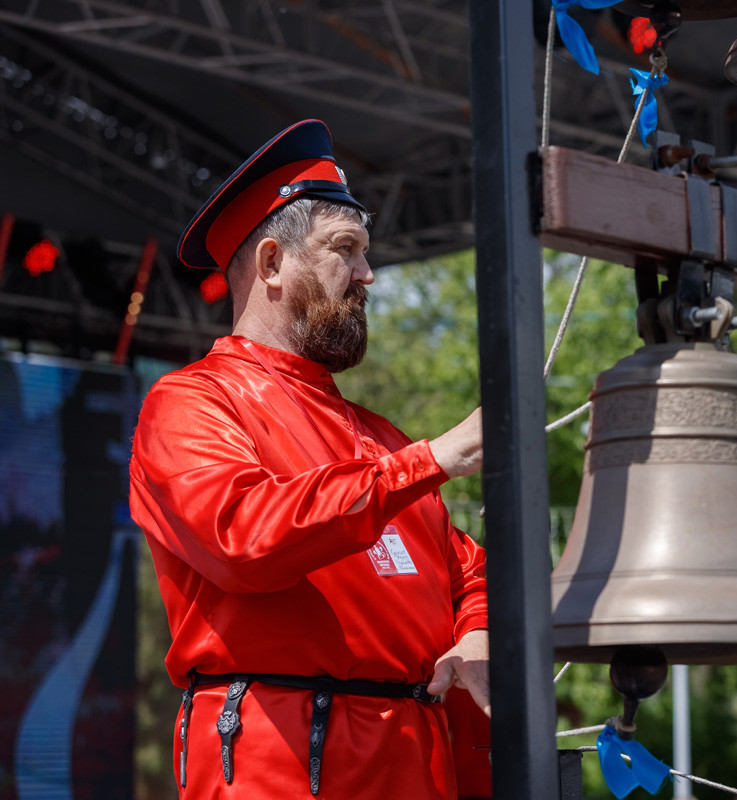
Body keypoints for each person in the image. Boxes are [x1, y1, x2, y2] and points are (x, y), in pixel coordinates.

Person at [129, 119, 489, 799]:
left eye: (365, 252)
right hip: (281, 760)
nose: (368, 274)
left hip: (417, 759)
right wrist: (430, 460)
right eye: (345, 250)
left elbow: (470, 575)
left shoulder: (380, 437)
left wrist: (476, 636)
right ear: (270, 264)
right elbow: (242, 537)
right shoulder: (190, 403)